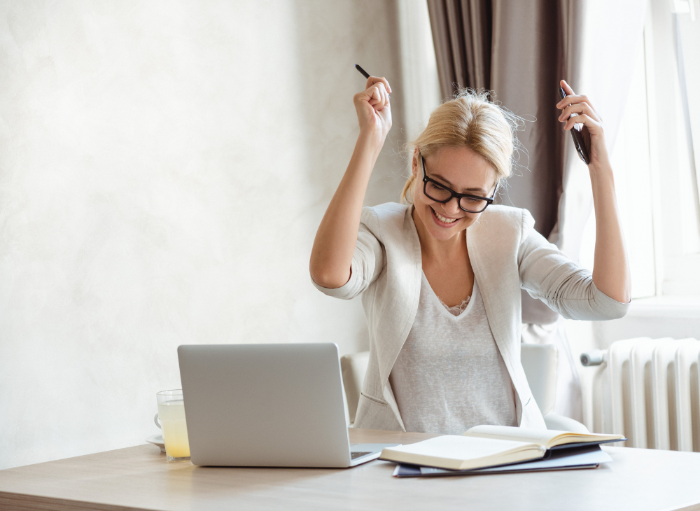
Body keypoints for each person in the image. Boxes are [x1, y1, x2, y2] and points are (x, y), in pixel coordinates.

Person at [309, 75, 630, 434]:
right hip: (402, 467)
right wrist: (370, 141)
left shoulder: (509, 233)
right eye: (439, 186)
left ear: (494, 190)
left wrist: (601, 170)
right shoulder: (383, 232)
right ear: (416, 163)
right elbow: (330, 276)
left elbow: (607, 302)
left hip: (503, 464)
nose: (450, 208)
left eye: (474, 196)